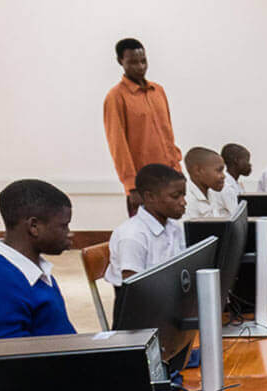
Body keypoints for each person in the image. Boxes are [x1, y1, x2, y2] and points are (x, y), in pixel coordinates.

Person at [0, 179, 77, 341]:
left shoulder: (34, 271)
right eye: (64, 226)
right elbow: (12, 361)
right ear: (34, 227)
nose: (69, 233)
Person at [103, 37, 179, 215]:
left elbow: (168, 134)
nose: (140, 67)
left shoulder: (158, 91)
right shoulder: (115, 97)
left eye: (143, 61)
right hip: (144, 184)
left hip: (169, 177)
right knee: (148, 235)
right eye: (133, 62)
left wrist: (177, 169)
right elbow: (118, 146)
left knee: (171, 233)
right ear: (120, 61)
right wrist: (131, 186)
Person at [106, 163, 187, 286]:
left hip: (168, 292)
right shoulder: (132, 236)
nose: (183, 202)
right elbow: (134, 288)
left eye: (183, 195)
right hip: (140, 301)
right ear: (150, 197)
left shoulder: (173, 227)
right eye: (175, 196)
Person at [182, 147, 236, 219]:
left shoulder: (211, 191)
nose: (223, 176)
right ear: (197, 171)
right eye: (219, 170)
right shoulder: (186, 202)